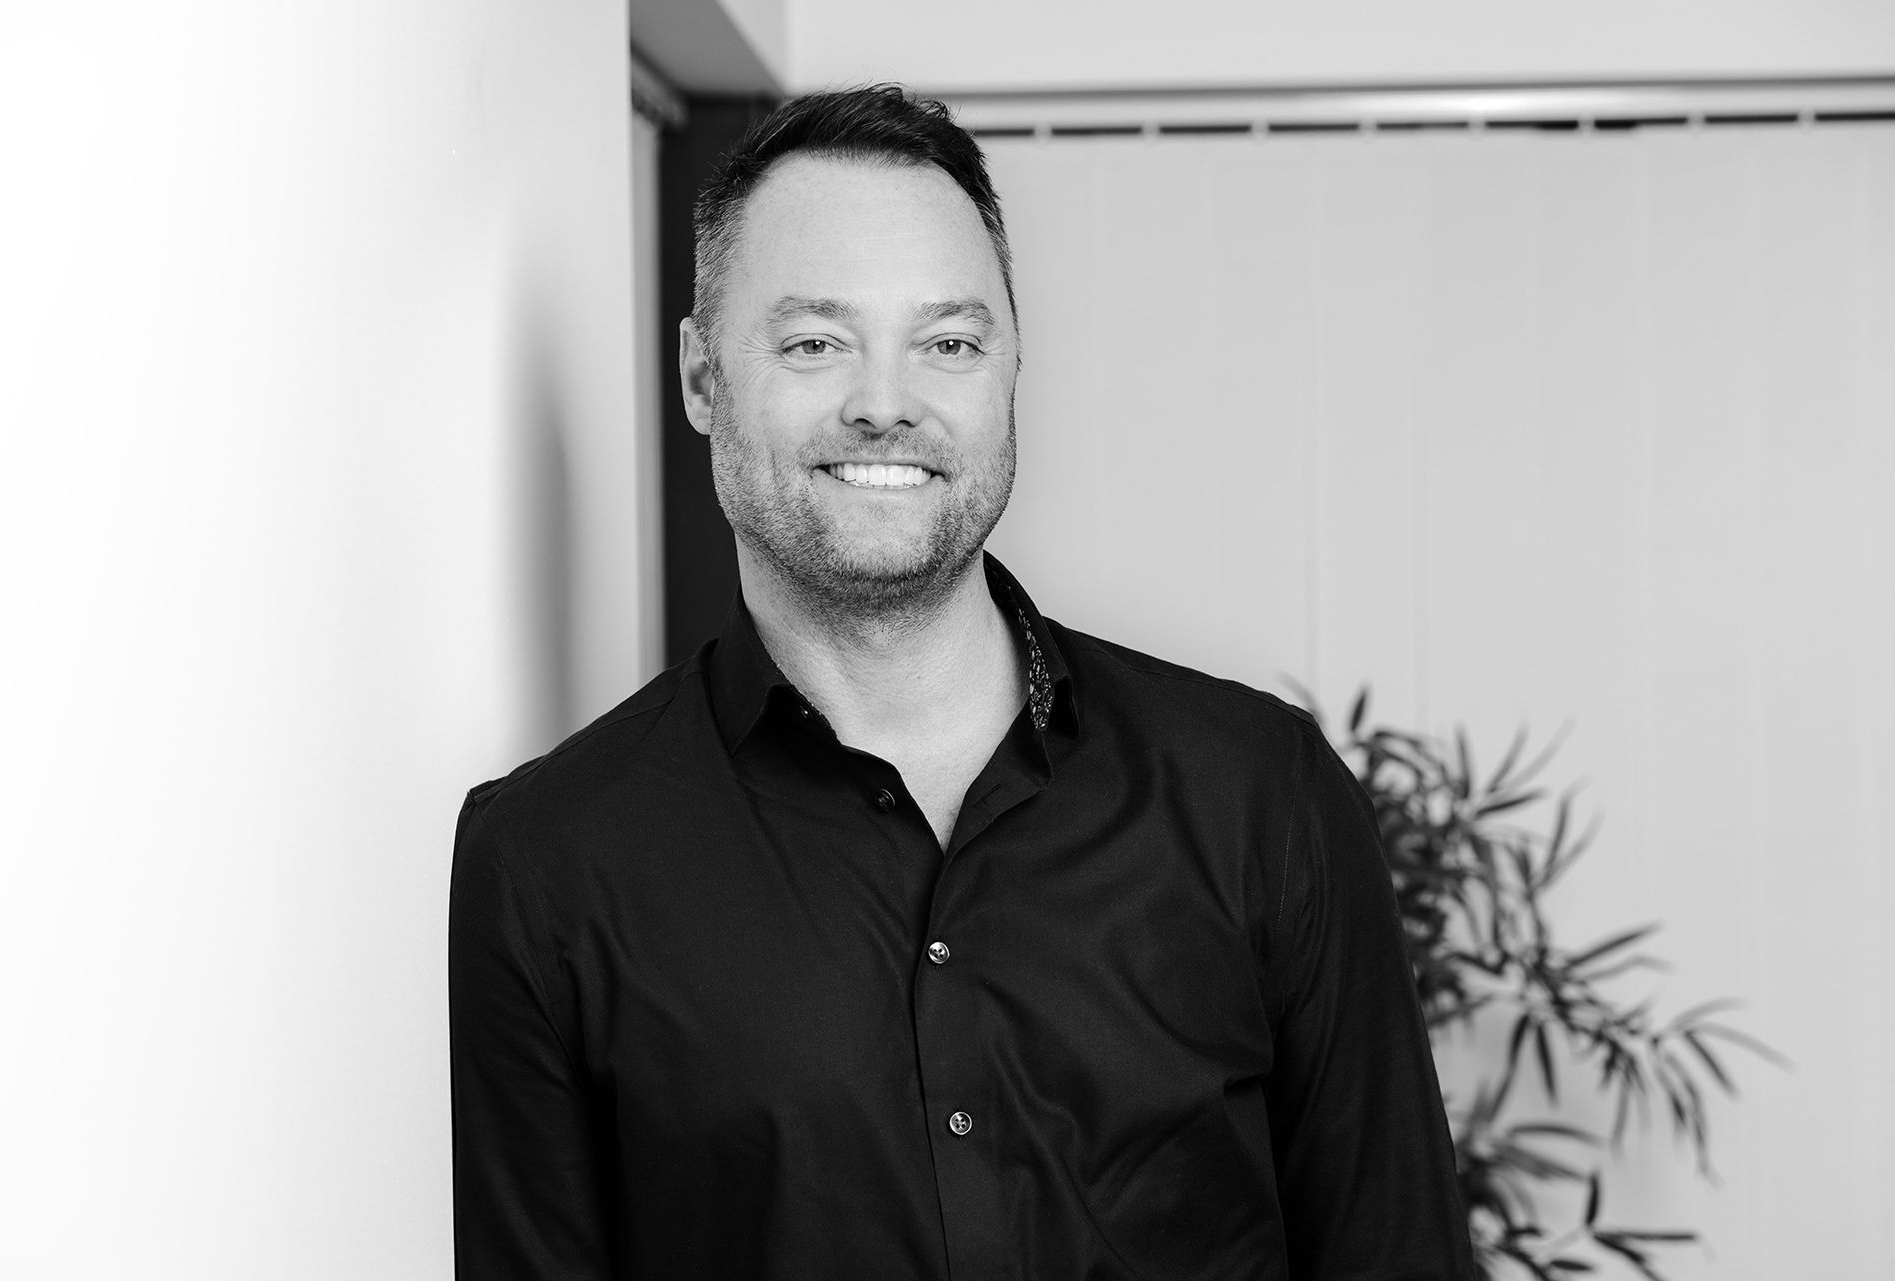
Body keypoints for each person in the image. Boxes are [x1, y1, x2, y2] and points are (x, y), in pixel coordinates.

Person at [449, 85, 1473, 1280]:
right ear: (699, 377)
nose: (887, 402)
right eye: (815, 342)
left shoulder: (1263, 798)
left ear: (1009, 372)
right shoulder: (548, 862)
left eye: (947, 342)